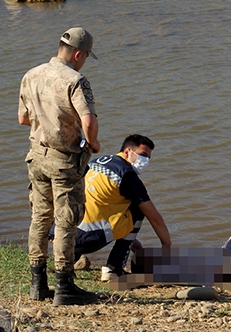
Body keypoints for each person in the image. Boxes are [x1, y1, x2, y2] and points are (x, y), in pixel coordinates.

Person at [18, 26, 101, 306]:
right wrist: (94, 143)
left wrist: (48, 123)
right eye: (86, 56)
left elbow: (22, 119)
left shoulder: (31, 75)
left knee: (40, 217)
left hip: (36, 156)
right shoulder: (76, 80)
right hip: (64, 161)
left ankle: (37, 284)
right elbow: (88, 121)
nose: (85, 61)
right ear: (79, 54)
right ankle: (64, 286)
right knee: (66, 220)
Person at [75, 134, 172, 281]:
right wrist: (167, 246)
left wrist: (131, 240)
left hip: (62, 233)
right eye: (143, 155)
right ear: (127, 152)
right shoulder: (127, 176)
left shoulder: (97, 161)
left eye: (149, 158)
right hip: (88, 239)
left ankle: (68, 258)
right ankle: (114, 268)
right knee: (139, 208)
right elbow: (156, 219)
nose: (145, 161)